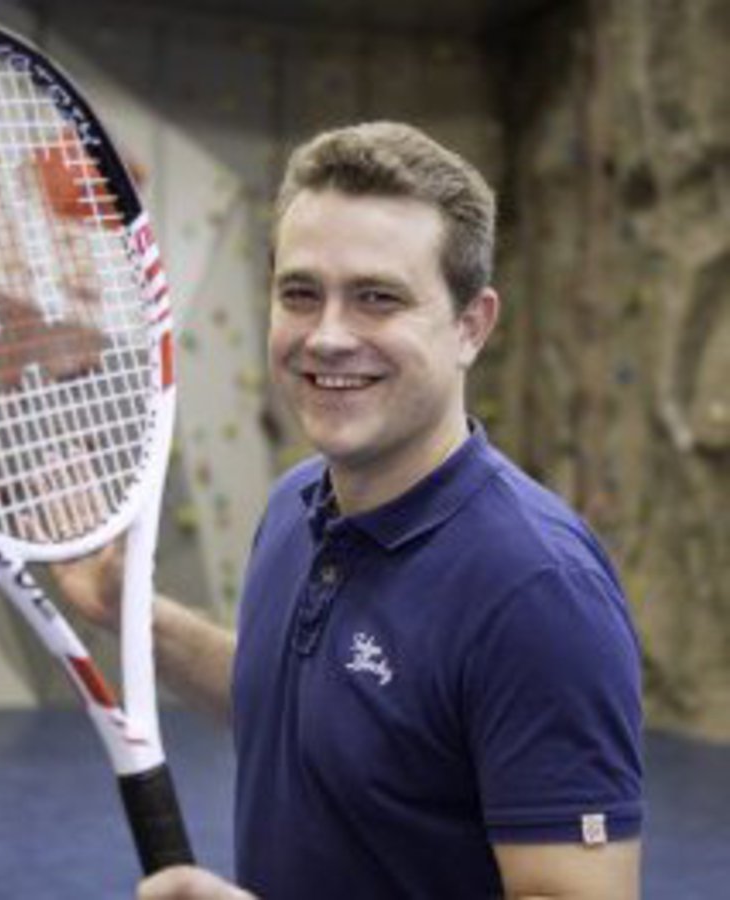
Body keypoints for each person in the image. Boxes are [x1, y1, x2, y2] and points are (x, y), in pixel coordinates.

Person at [55, 121, 643, 899]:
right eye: (301, 293)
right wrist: (140, 618)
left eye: (377, 299)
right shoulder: (296, 501)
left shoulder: (537, 588)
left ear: (472, 325)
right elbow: (310, 708)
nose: (328, 336)